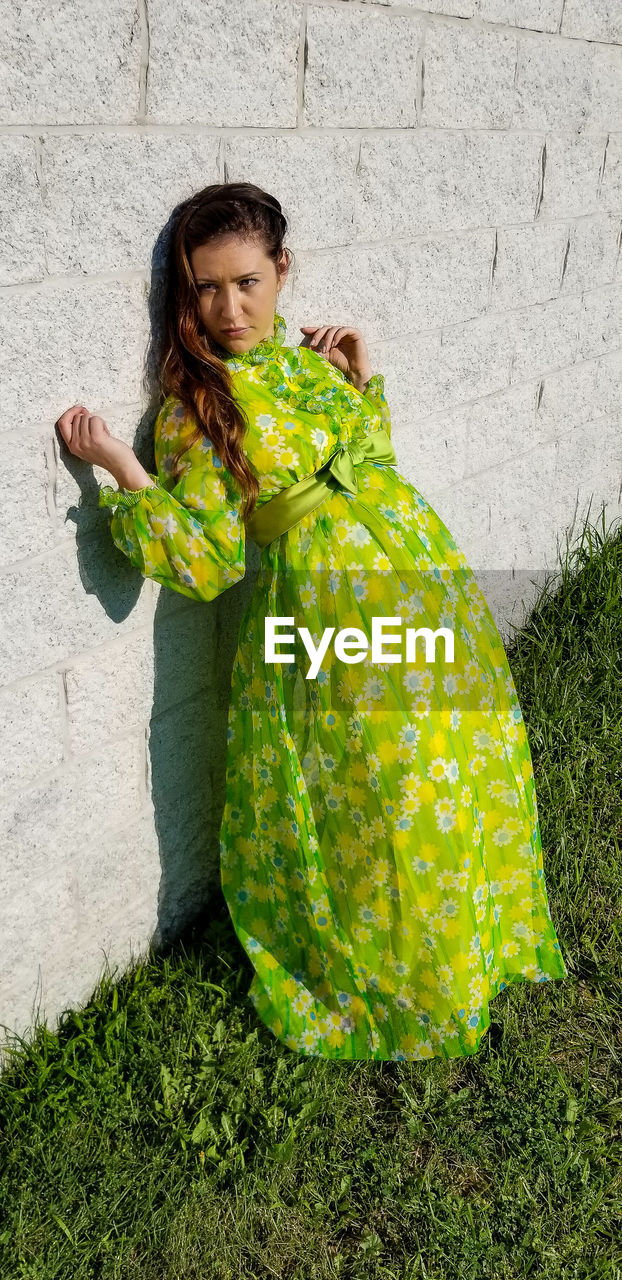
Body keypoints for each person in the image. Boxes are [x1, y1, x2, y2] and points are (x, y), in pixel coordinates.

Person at [56, 182, 567, 1061]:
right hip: (323, 603)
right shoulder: (196, 407)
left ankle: (469, 946)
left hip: (417, 573)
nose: (229, 308)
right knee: (384, 790)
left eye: (247, 282)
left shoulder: (303, 365)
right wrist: (121, 471)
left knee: (458, 761)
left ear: (282, 271)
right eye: (206, 288)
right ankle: (399, 978)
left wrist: (358, 378)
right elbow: (210, 561)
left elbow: (371, 460)